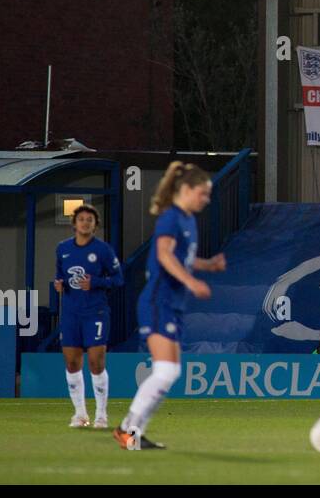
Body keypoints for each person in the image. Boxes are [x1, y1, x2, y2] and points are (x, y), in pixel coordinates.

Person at [113, 162, 226, 451]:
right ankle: (128, 429)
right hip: (158, 301)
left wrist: (207, 265)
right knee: (164, 371)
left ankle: (134, 432)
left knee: (171, 373)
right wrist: (191, 281)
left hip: (172, 304)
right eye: (202, 193)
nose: (206, 199)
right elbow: (164, 255)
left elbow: (181, 258)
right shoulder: (171, 218)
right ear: (186, 189)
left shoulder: (187, 220)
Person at [53, 204, 123, 428]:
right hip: (71, 313)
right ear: (74, 223)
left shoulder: (102, 250)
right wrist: (59, 285)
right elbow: (59, 276)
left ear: (95, 225)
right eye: (81, 219)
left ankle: (101, 415)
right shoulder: (62, 249)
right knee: (72, 362)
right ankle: (80, 414)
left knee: (96, 362)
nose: (85, 223)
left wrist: (96, 282)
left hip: (96, 311)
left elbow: (119, 279)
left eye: (89, 220)